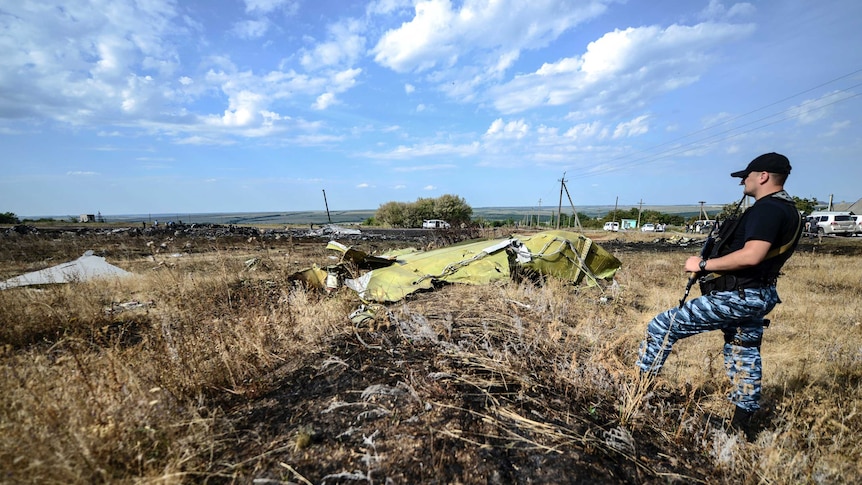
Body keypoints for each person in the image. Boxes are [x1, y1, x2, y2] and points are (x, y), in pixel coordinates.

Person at [636, 152, 803, 437]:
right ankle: (741, 426)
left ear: (762, 177)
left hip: (736, 296)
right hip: (757, 295)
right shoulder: (789, 210)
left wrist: (702, 264)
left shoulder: (767, 209)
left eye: (746, 177)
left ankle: (637, 394)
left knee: (661, 327)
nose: (743, 183)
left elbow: (752, 255)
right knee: (743, 351)